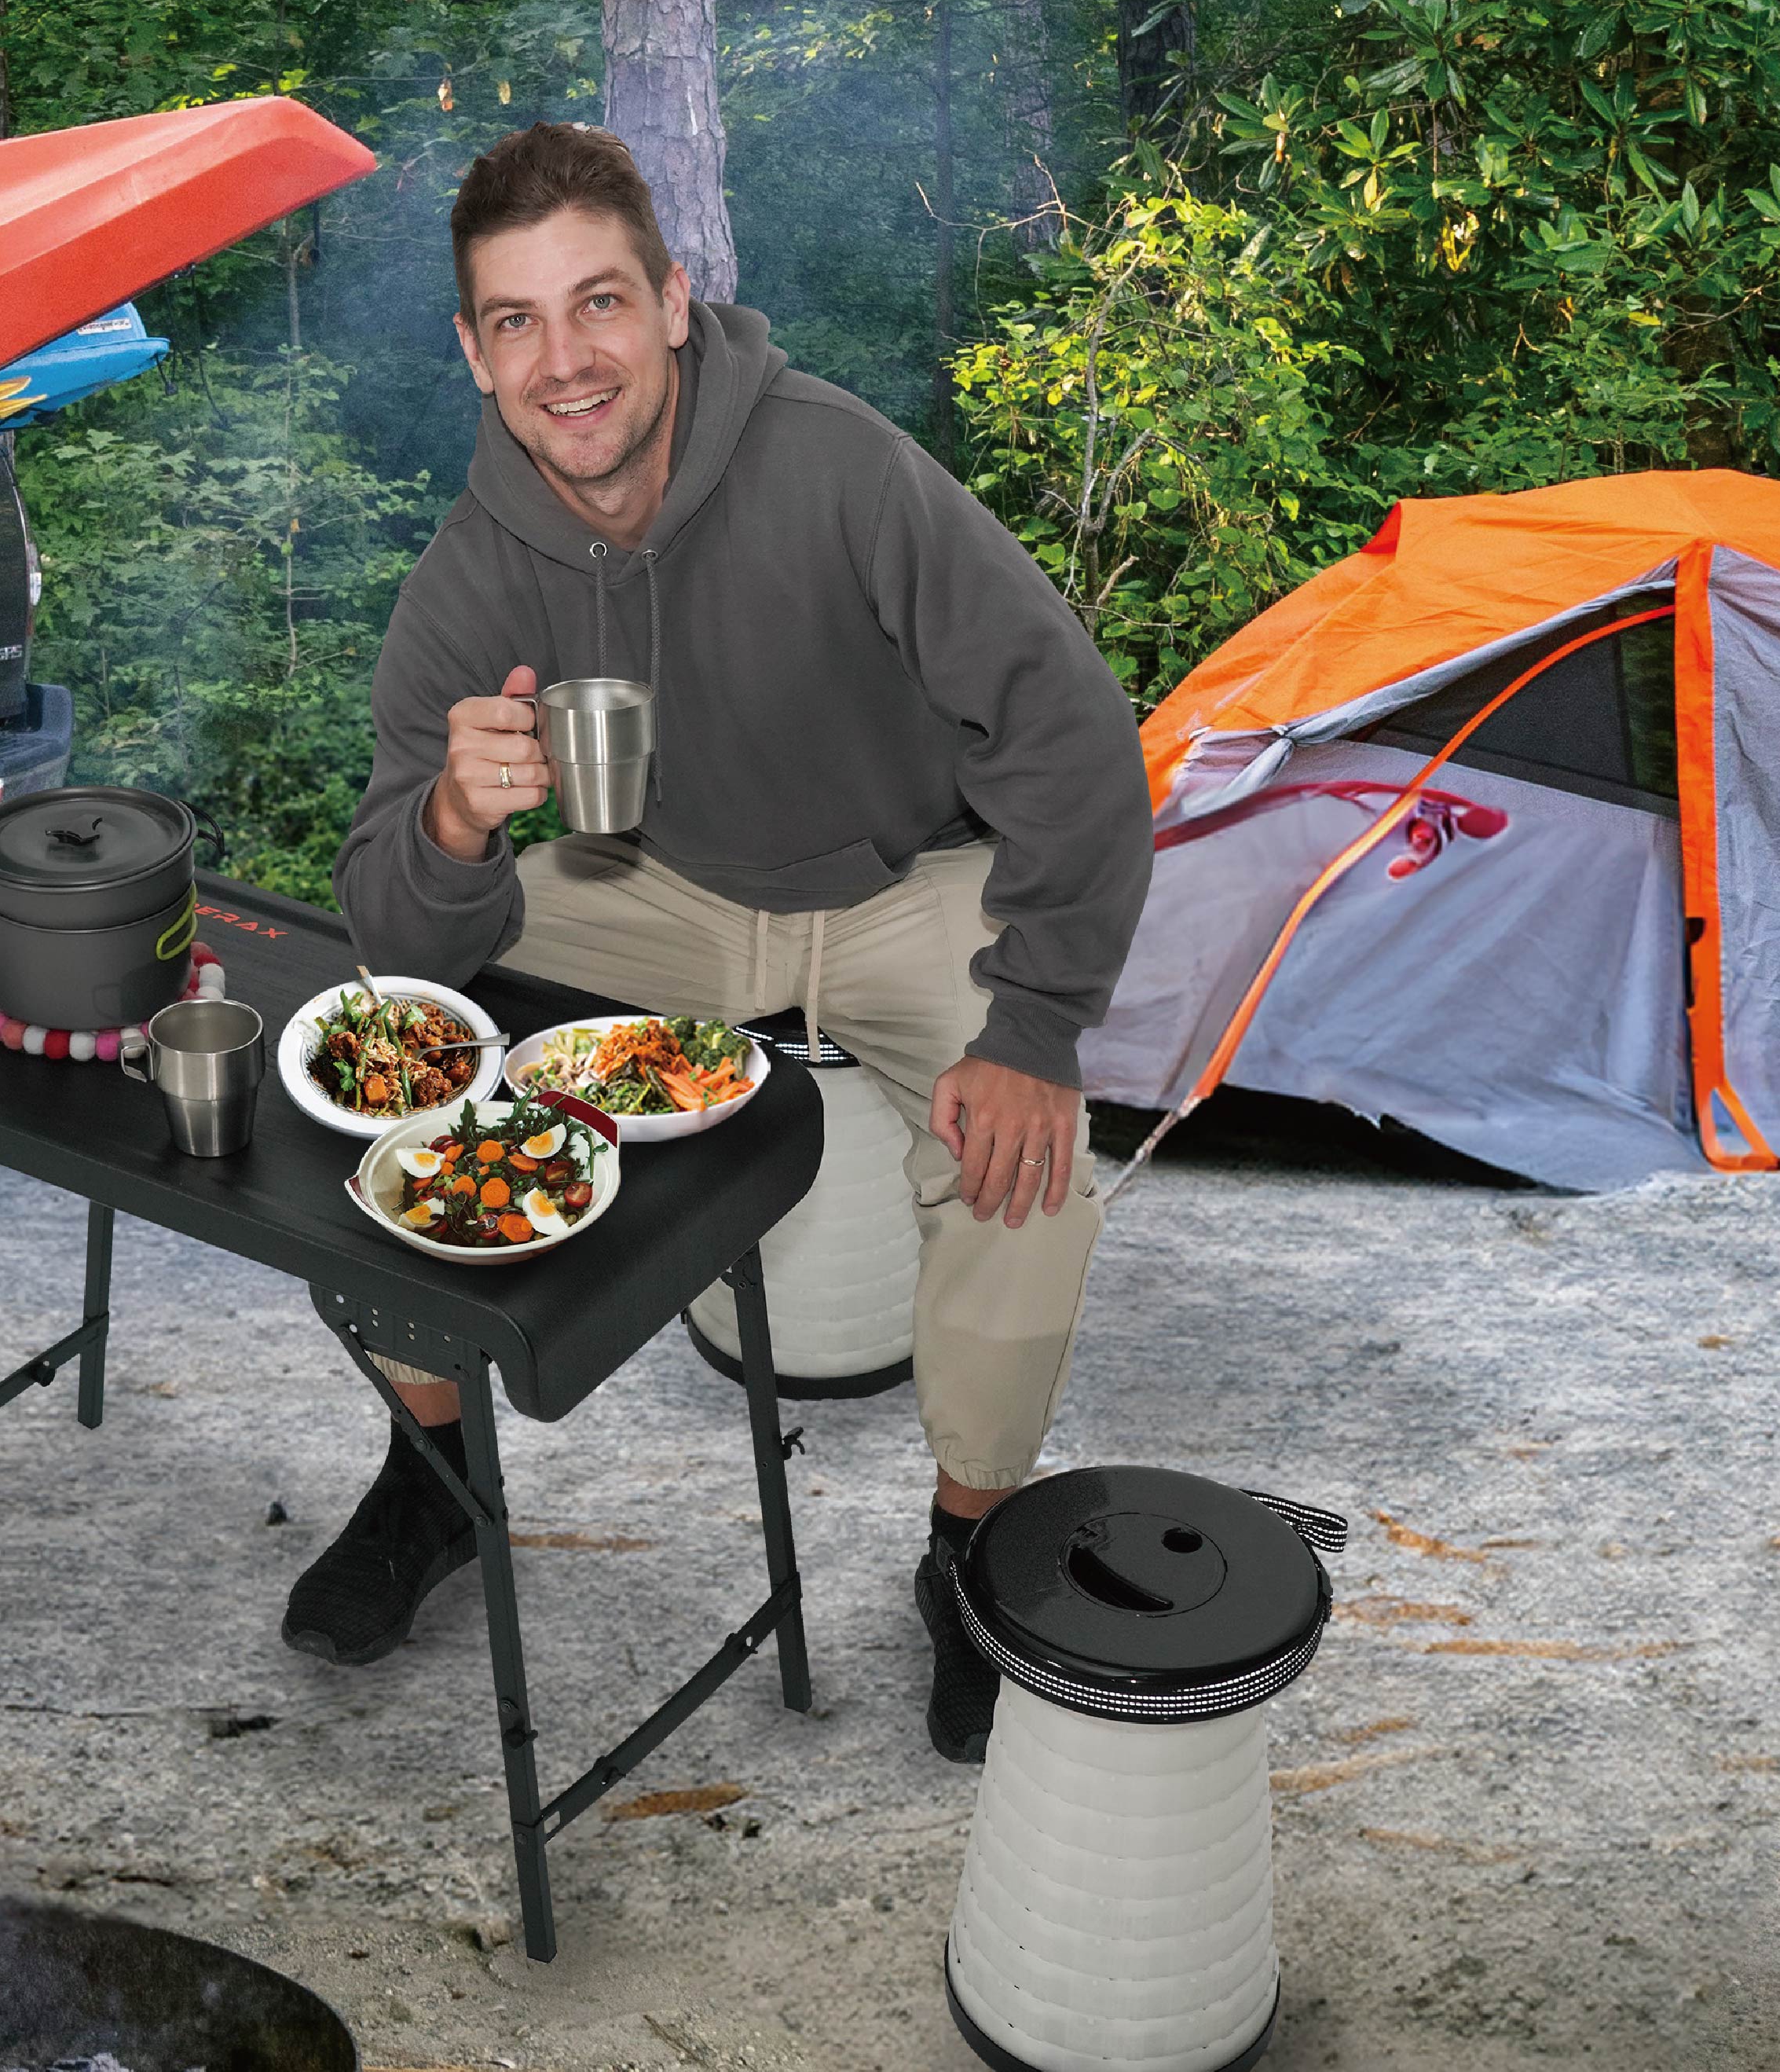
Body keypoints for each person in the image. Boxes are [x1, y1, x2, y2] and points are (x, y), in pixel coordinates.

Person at [299, 122, 1152, 1759]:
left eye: (599, 301)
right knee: (388, 1050)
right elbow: (393, 918)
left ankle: (968, 1551)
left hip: (914, 881)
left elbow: (1067, 725)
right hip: (665, 892)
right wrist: (453, 828)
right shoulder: (473, 570)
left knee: (1023, 1165)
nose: (568, 359)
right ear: (473, 357)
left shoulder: (833, 471)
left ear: (674, 303)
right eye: (517, 321)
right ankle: (432, 1473)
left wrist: (1035, 1020)